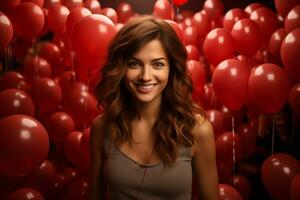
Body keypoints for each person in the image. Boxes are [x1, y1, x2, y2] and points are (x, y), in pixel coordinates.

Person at [89, 15, 218, 200]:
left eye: (158, 64)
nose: (145, 76)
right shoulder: (101, 128)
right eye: (134, 64)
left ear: (172, 69)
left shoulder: (198, 130)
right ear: (121, 67)